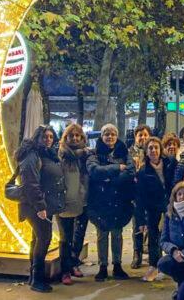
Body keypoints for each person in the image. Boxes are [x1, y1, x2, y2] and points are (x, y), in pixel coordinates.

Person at [15, 125, 65, 293]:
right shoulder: (32, 155)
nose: (48, 139)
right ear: (37, 137)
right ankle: (37, 279)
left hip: (42, 205)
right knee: (44, 239)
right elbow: (31, 183)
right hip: (35, 206)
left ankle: (33, 276)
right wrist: (40, 206)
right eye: (45, 137)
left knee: (37, 239)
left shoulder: (46, 154)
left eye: (51, 137)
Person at [87, 123, 135, 282]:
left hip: (119, 201)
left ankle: (117, 265)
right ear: (102, 136)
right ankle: (102, 266)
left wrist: (108, 179)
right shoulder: (94, 153)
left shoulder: (124, 152)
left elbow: (130, 172)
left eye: (113, 134)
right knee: (102, 234)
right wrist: (117, 168)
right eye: (106, 134)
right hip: (99, 202)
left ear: (117, 136)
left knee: (117, 234)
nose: (109, 137)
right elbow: (94, 171)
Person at [135, 137, 177, 281]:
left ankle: (173, 266)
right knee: (154, 238)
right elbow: (139, 197)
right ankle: (155, 265)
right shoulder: (143, 171)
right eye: (150, 148)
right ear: (146, 152)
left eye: (156, 147)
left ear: (161, 150)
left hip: (172, 206)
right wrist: (141, 219)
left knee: (174, 236)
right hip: (153, 209)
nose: (153, 150)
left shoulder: (170, 164)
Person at [56, 124, 90, 285]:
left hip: (82, 200)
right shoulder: (61, 155)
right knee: (65, 238)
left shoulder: (86, 155)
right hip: (65, 202)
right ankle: (65, 271)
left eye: (78, 135)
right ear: (66, 138)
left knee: (79, 235)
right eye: (72, 136)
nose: (75, 138)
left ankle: (74, 263)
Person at [130, 124, 153, 269]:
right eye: (140, 135)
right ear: (135, 137)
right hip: (136, 194)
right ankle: (136, 253)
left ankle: (152, 253)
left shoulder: (153, 150)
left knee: (152, 225)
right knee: (137, 225)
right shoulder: (130, 152)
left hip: (151, 194)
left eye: (145, 134)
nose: (143, 137)